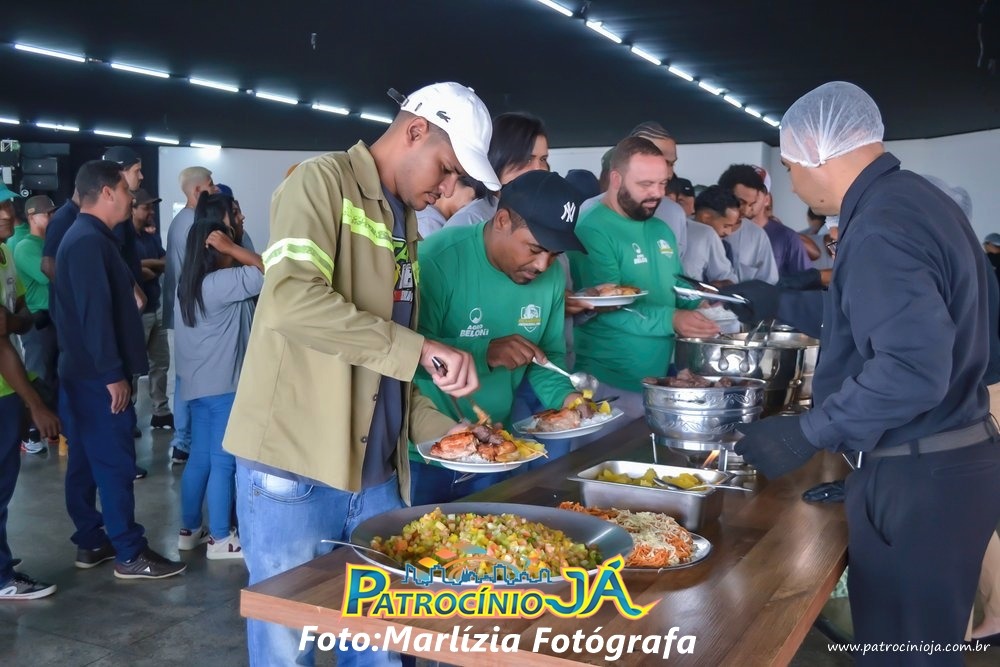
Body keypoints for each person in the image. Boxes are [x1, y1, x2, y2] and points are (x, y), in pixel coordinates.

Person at [721, 81, 1000, 662]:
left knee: (901, 654)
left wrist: (808, 431)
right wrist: (782, 302)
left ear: (817, 155)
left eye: (790, 165)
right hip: (949, 464)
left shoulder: (878, 225)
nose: (793, 181)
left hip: (921, 476)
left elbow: (911, 369)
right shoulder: (917, 199)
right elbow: (879, 318)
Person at [222, 81, 494, 667]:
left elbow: (383, 369)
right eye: (447, 169)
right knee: (286, 646)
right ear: (415, 130)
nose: (448, 188)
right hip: (296, 472)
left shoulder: (405, 222)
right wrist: (419, 349)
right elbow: (291, 300)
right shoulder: (320, 182)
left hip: (374, 479)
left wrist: (444, 432)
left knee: (377, 648)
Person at [410, 171, 584, 503]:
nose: (543, 265)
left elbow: (546, 358)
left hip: (496, 450)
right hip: (425, 454)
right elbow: (402, 355)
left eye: (555, 254)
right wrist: (485, 352)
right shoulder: (437, 259)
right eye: (535, 248)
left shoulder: (551, 278)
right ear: (502, 220)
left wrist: (568, 400)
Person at [53, 160, 186, 580]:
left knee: (85, 461)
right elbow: (94, 316)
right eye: (128, 190)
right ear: (108, 192)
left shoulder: (91, 238)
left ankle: (92, 540)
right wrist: (113, 374)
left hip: (82, 372)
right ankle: (130, 552)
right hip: (97, 377)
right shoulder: (88, 241)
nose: (133, 197)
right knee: (114, 463)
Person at [569, 137, 719, 423]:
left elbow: (674, 284)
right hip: (607, 381)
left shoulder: (660, 228)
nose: (657, 194)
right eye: (646, 184)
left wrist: (703, 303)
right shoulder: (593, 228)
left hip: (656, 379)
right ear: (616, 179)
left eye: (662, 183)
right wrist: (672, 319)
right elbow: (605, 308)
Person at [176, 195, 263, 560]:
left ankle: (189, 530)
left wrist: (229, 246)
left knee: (200, 458)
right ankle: (221, 538)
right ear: (215, 249)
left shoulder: (189, 284)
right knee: (224, 461)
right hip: (224, 387)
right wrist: (233, 247)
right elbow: (270, 270)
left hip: (196, 387)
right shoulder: (221, 282)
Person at [0, 200, 60, 599]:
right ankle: (2, 579)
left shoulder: (4, 254)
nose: (8, 215)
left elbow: (20, 316)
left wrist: (13, 321)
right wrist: (35, 403)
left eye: (7, 205)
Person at [163, 166, 218, 464]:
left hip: (185, 307)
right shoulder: (193, 224)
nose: (215, 188)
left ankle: (183, 441)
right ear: (198, 190)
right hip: (193, 309)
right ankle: (184, 440)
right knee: (187, 378)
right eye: (211, 184)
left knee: (185, 375)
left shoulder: (179, 222)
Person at [581, 121, 688, 261]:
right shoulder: (591, 211)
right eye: (658, 161)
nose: (668, 174)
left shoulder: (674, 213)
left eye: (672, 163)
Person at [441, 111, 549, 230]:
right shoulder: (468, 222)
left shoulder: (546, 216)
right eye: (527, 159)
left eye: (543, 159)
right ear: (498, 160)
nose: (538, 168)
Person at [13, 195, 58, 454]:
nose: (52, 217)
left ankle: (50, 428)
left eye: (53, 213)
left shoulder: (49, 243)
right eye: (46, 214)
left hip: (54, 318)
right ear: (32, 217)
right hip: (38, 322)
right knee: (39, 375)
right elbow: (49, 275)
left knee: (54, 376)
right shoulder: (25, 247)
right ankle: (31, 433)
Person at [130, 189, 172, 429]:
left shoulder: (151, 236)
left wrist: (147, 267)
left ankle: (161, 411)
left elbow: (165, 263)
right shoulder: (124, 238)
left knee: (160, 363)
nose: (151, 212)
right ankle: (129, 415)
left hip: (156, 307)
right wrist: (145, 268)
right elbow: (132, 270)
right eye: (146, 207)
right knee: (135, 367)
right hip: (137, 313)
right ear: (133, 209)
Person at [415, 175, 482, 236]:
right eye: (473, 199)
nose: (472, 206)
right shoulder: (427, 222)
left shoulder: (428, 218)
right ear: (455, 183)